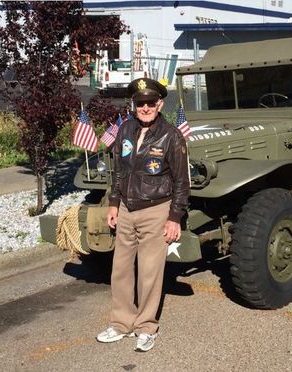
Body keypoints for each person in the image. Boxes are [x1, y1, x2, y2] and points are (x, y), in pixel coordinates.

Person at [96, 77, 190, 352]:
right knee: (121, 270)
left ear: (160, 103)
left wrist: (174, 216)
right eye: (140, 103)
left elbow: (182, 182)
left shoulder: (172, 136)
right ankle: (121, 323)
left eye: (150, 103)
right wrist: (114, 202)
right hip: (126, 208)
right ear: (133, 105)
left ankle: (146, 327)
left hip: (156, 210)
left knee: (150, 272)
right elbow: (119, 172)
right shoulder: (125, 130)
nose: (145, 108)